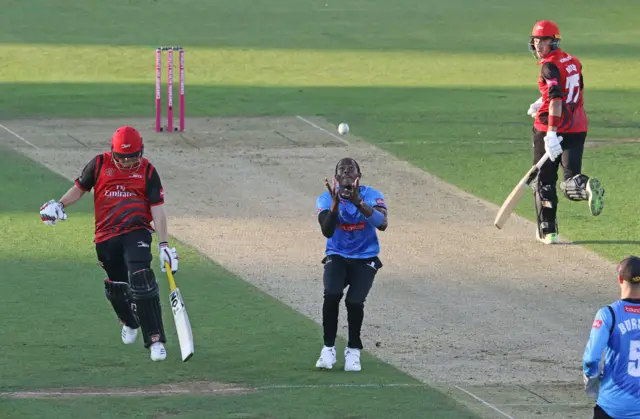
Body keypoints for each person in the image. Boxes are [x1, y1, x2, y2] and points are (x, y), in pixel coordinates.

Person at [39, 125, 179, 362]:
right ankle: (129, 321)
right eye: (123, 158)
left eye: (133, 157)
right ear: (113, 152)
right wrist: (60, 204)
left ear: (141, 152)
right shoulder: (99, 164)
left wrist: (164, 244)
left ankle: (155, 339)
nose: (127, 163)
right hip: (106, 236)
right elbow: (79, 189)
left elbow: (158, 209)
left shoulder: (148, 171)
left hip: (137, 231)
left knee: (142, 280)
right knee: (117, 288)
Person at [526, 20, 605, 244]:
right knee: (571, 181)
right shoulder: (572, 61)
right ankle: (586, 186)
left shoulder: (548, 66)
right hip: (577, 127)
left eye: (544, 40)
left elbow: (557, 100)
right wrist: (542, 100)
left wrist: (551, 132)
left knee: (544, 181)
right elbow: (570, 89)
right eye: (536, 40)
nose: (539, 45)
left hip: (550, 128)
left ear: (554, 41)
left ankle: (548, 231)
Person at [314, 157, 388, 372]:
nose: (346, 171)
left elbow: (382, 223)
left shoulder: (372, 196)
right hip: (337, 255)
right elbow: (327, 231)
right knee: (332, 293)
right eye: (342, 170)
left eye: (351, 169)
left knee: (355, 302)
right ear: (336, 177)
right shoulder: (325, 199)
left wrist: (358, 203)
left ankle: (353, 351)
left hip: (366, 258)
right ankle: (328, 349)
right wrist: (336, 206)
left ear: (358, 176)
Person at [582, 256, 640, 419]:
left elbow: (591, 359)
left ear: (620, 279)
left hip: (613, 407)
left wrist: (591, 381)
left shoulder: (609, 315)